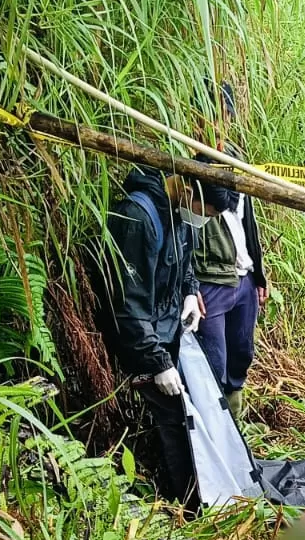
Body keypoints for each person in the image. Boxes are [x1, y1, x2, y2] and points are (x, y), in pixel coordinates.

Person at [88, 161, 235, 507]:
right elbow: (128, 304)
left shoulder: (180, 214)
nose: (206, 221)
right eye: (207, 213)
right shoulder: (139, 218)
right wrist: (157, 363)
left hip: (169, 334)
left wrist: (189, 292)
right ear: (188, 189)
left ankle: (199, 495)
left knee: (196, 408)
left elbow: (184, 266)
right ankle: (186, 505)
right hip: (142, 343)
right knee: (176, 422)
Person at [194, 85, 269, 421]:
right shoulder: (183, 160)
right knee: (214, 362)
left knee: (242, 353)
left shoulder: (235, 158)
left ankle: (234, 421)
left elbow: (247, 222)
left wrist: (259, 276)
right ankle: (215, 430)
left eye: (222, 116)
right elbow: (183, 227)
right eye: (208, 115)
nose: (215, 124)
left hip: (244, 279)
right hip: (210, 280)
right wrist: (189, 285)